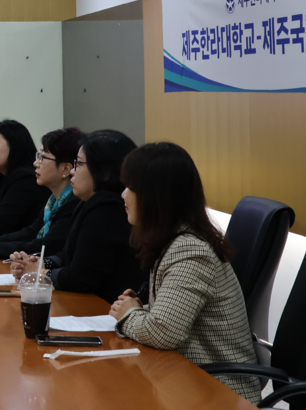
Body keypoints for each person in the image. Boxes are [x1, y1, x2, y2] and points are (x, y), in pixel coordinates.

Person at [109, 142, 261, 403]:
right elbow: (173, 318)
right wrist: (140, 309)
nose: (123, 194)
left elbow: (163, 332)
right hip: (186, 382)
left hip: (218, 393)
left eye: (131, 187)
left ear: (156, 195)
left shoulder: (190, 250)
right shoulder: (175, 239)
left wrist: (129, 315)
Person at [10, 129, 144, 303]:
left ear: (104, 173)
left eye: (79, 164)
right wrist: (39, 263)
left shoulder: (107, 207)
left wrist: (40, 273)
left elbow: (81, 278)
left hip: (105, 308)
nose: (73, 171)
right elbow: (67, 255)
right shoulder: (87, 201)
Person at [0, 127, 86, 259]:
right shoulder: (54, 200)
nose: (35, 163)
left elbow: (48, 246)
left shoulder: (74, 202)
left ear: (66, 169)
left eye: (42, 158)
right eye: (38, 156)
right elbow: (31, 232)